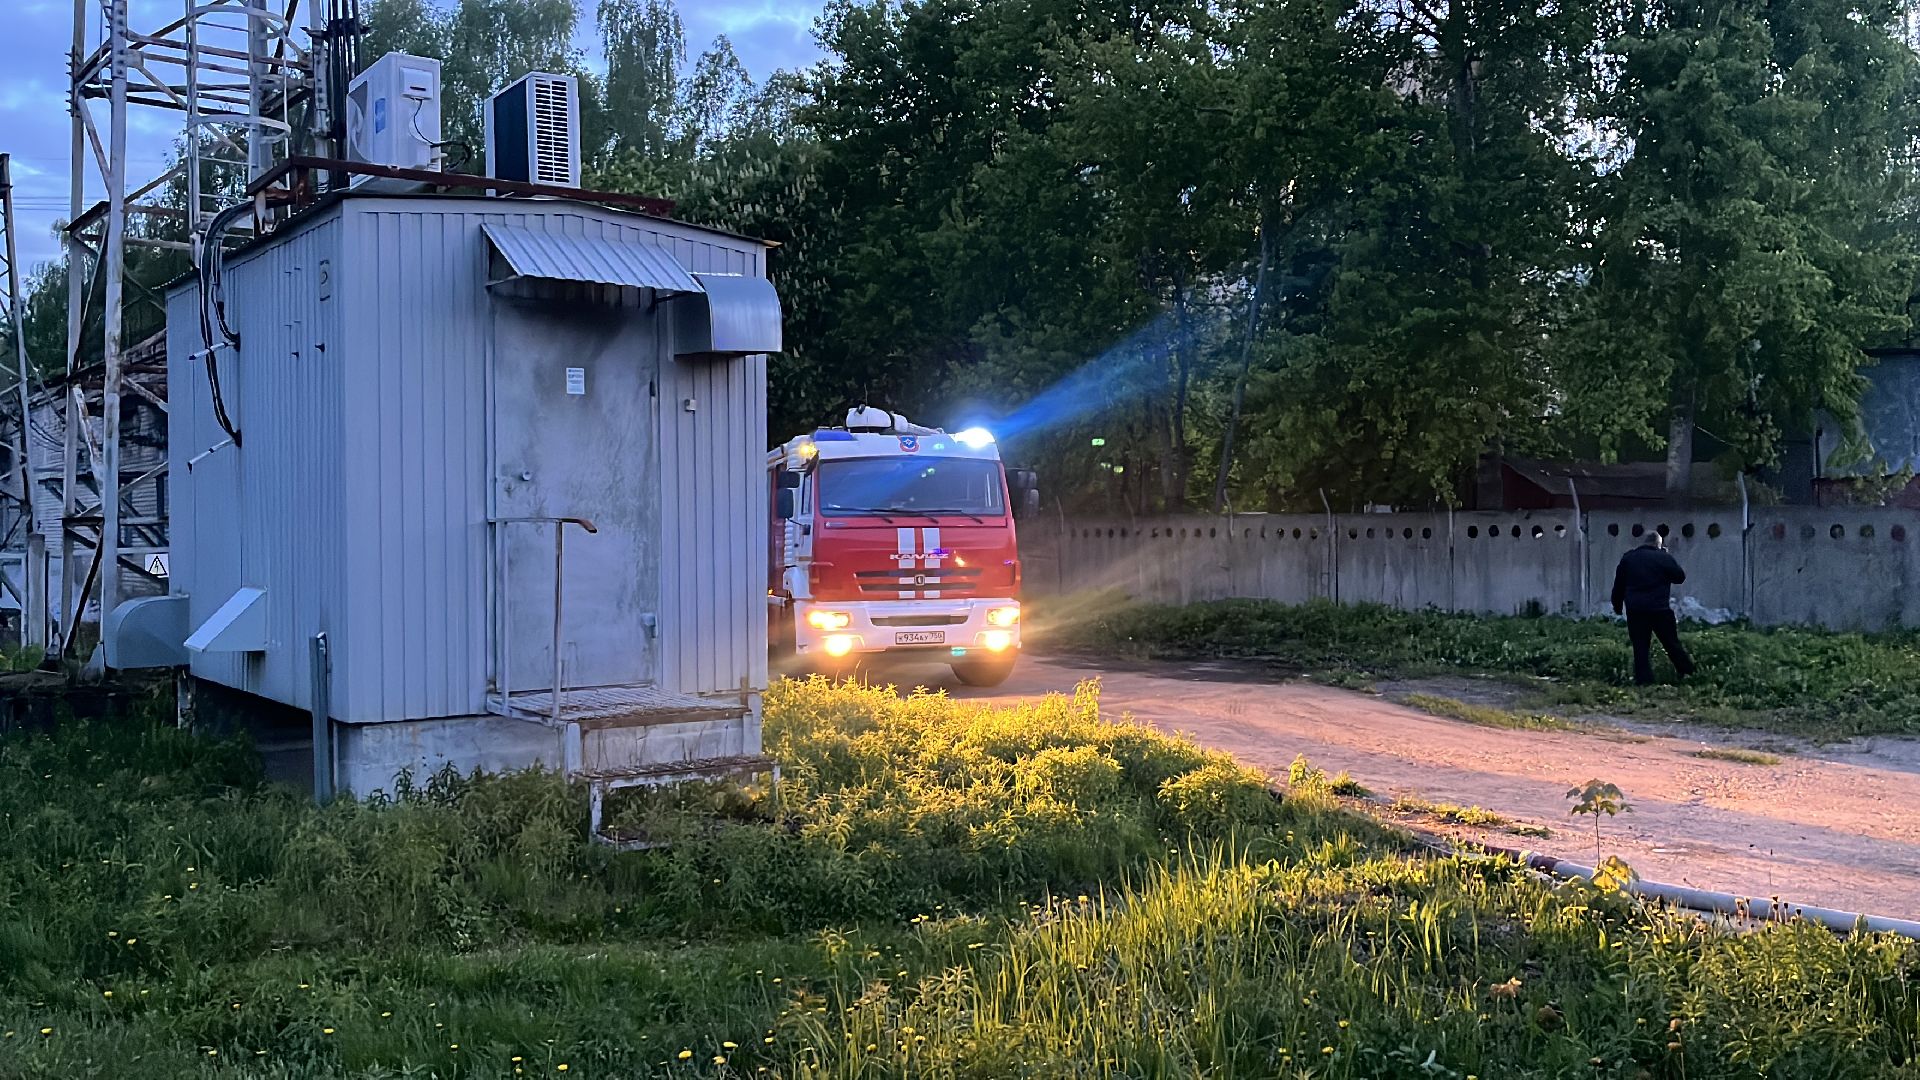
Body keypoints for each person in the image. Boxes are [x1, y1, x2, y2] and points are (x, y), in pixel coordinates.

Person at [1610, 532, 1695, 685]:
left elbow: (1619, 584)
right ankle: (1688, 673)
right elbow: (1679, 577)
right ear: (1658, 543)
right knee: (1671, 643)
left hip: (1636, 610)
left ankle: (1644, 681)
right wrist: (1665, 559)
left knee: (1640, 647)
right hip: (1659, 609)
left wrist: (1617, 605)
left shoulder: (1628, 558)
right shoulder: (1663, 557)